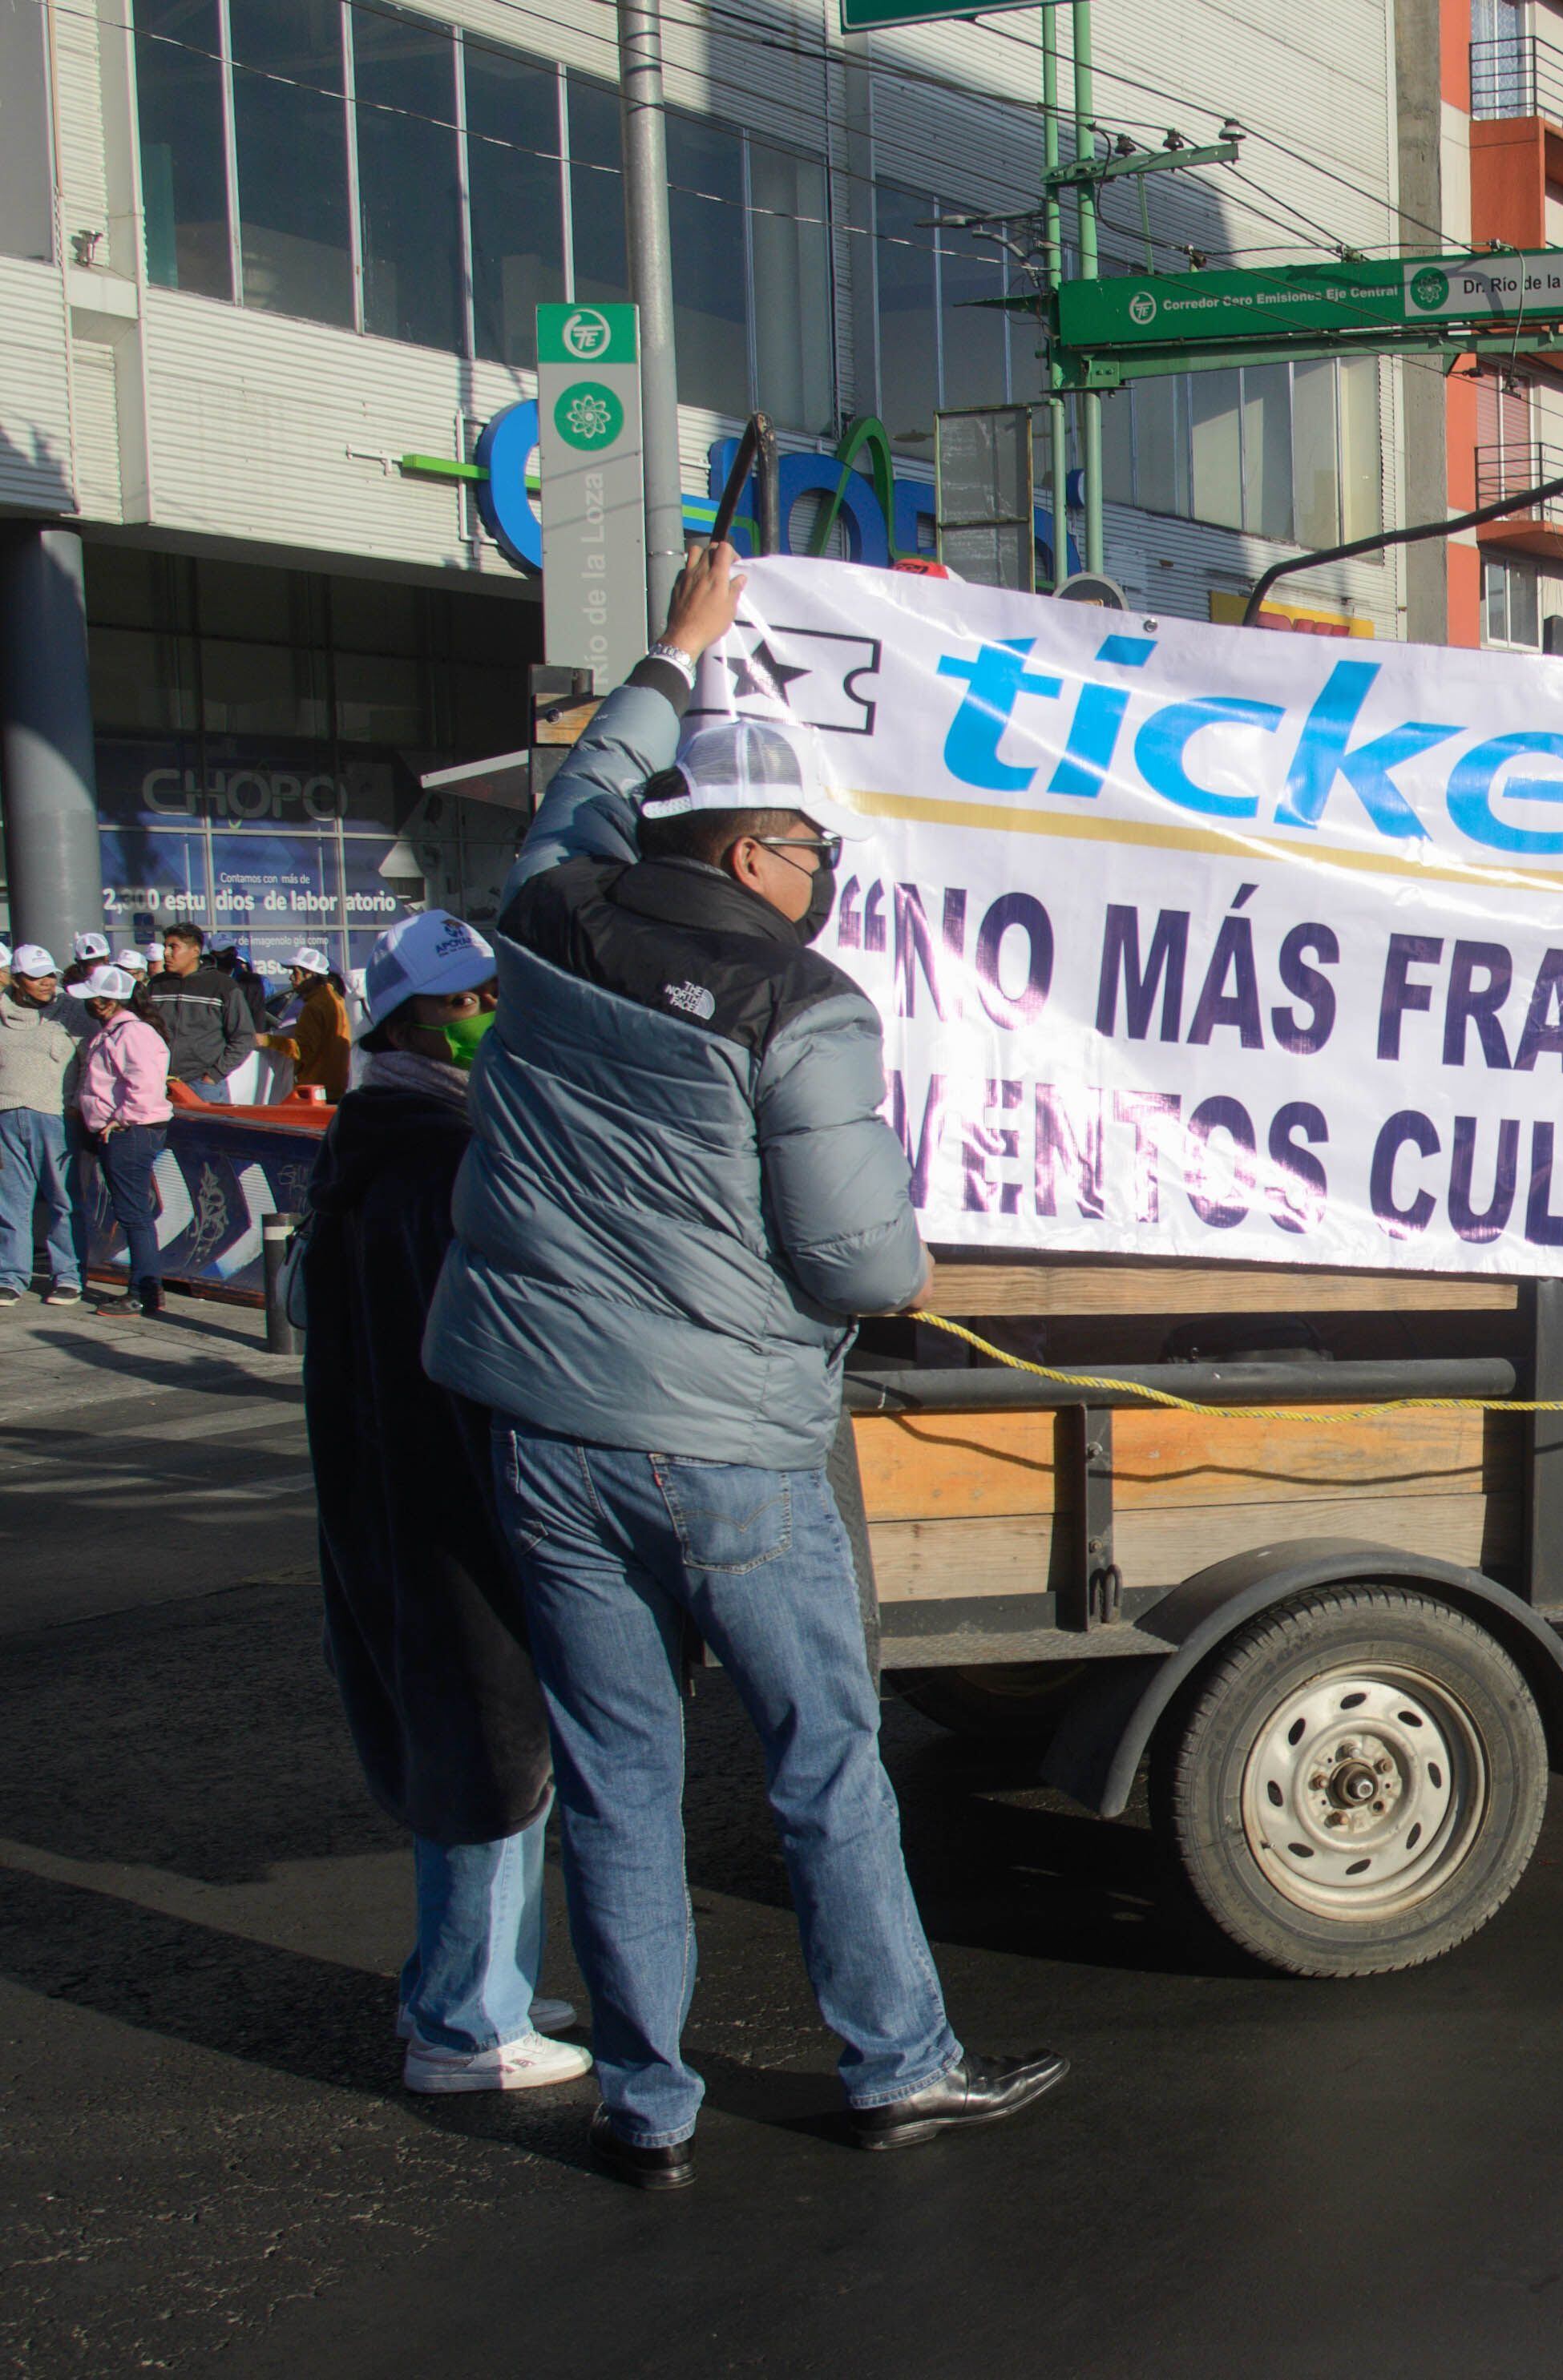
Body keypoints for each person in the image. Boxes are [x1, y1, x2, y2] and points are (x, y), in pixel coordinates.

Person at [424, 543, 1063, 2190]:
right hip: (733, 1451)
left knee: (619, 1774)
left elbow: (588, 793)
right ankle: (895, 2063)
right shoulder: (805, 1006)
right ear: (763, 852)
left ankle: (644, 2106)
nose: (826, 876)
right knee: (820, 1764)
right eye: (816, 849)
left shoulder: (548, 919)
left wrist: (673, 653)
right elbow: (864, 1265)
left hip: (549, 1434)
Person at [306, 910, 591, 2096]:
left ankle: (465, 1981)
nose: (489, 1016)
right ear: (415, 1016)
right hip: (445, 1502)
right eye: (469, 1001)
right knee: (486, 1749)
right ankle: (468, 2025)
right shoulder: (428, 1160)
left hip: (393, 1497)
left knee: (463, 1742)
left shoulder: (382, 1136)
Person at [71, 966, 172, 1318]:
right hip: (124, 1130)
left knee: (134, 1215)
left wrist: (120, 1120)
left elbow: (144, 1086)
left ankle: (143, 1290)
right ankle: (145, 1288)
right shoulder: (120, 1032)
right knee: (134, 1214)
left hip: (130, 1132)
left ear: (104, 1003)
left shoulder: (132, 1034)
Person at [0, 945, 85, 1307]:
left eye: (51, 974)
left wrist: (77, 1104)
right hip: (6, 1114)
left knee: (63, 1199)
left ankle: (68, 1276)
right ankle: (11, 1275)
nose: (48, 982)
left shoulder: (72, 1011)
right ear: (17, 980)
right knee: (11, 1202)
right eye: (37, 977)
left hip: (56, 1117)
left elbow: (91, 1060)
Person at [143, 922, 258, 1101]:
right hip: (158, 1085)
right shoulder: (156, 986)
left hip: (203, 1087)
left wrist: (213, 1076)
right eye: (165, 947)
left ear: (195, 951)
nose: (166, 953)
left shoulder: (222, 986)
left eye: (173, 947)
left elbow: (244, 1037)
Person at [272, 946, 353, 1102]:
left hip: (315, 1092)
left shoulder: (314, 1007)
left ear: (310, 974)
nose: (291, 978)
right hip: (335, 1088)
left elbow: (302, 1051)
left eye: (295, 972)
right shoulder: (337, 1001)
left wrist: (267, 1041)